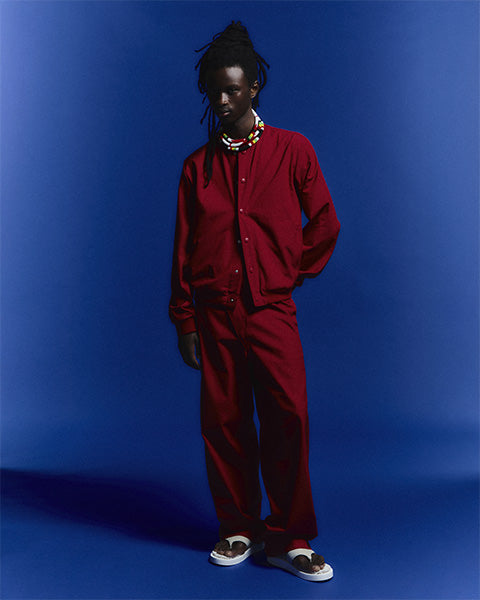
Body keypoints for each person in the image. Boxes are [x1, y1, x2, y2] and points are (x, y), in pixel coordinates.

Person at [169, 21, 340, 583]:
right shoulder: (197, 168)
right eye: (213, 91)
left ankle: (290, 537)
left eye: (232, 90)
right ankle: (238, 527)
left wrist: (287, 272)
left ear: (253, 88)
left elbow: (325, 223)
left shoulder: (293, 150)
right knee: (224, 421)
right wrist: (184, 319)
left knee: (287, 417)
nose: (221, 101)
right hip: (214, 313)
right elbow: (183, 249)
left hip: (271, 311)